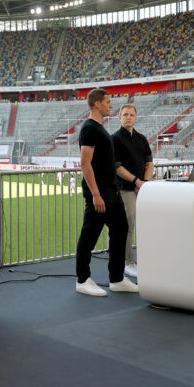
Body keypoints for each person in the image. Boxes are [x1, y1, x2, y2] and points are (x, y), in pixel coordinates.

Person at [75, 88, 138, 297]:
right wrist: (95, 194)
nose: (111, 105)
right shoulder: (89, 129)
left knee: (121, 229)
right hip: (99, 194)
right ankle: (82, 280)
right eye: (108, 101)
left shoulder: (99, 128)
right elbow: (85, 164)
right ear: (97, 104)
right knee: (89, 236)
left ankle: (117, 279)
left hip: (112, 192)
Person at [112, 104, 154, 278]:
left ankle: (142, 258)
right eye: (125, 114)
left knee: (143, 225)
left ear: (136, 117)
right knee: (127, 226)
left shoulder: (142, 139)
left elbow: (149, 163)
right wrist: (137, 182)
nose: (128, 117)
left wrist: (145, 183)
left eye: (131, 115)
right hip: (126, 189)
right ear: (120, 117)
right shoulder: (114, 139)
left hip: (142, 189)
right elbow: (117, 167)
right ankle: (127, 262)